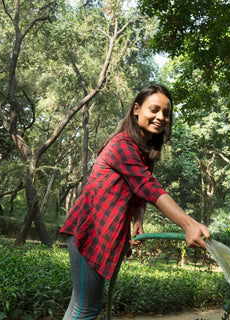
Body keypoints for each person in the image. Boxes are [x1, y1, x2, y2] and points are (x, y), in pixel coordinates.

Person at [60, 84, 210, 320]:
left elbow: (138, 190)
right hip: (88, 231)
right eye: (154, 109)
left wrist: (138, 217)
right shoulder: (122, 145)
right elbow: (149, 187)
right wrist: (188, 223)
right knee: (84, 309)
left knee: (87, 307)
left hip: (106, 234)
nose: (161, 117)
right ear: (137, 109)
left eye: (166, 113)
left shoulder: (143, 151)